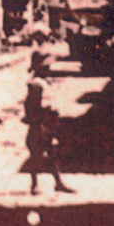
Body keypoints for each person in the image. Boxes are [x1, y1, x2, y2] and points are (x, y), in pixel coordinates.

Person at [19, 51, 73, 194]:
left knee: (50, 153)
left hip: (47, 122)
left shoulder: (43, 82)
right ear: (39, 67)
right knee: (36, 154)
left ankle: (58, 183)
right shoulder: (35, 84)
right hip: (40, 123)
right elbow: (33, 106)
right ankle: (34, 185)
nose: (48, 70)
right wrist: (39, 122)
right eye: (45, 67)